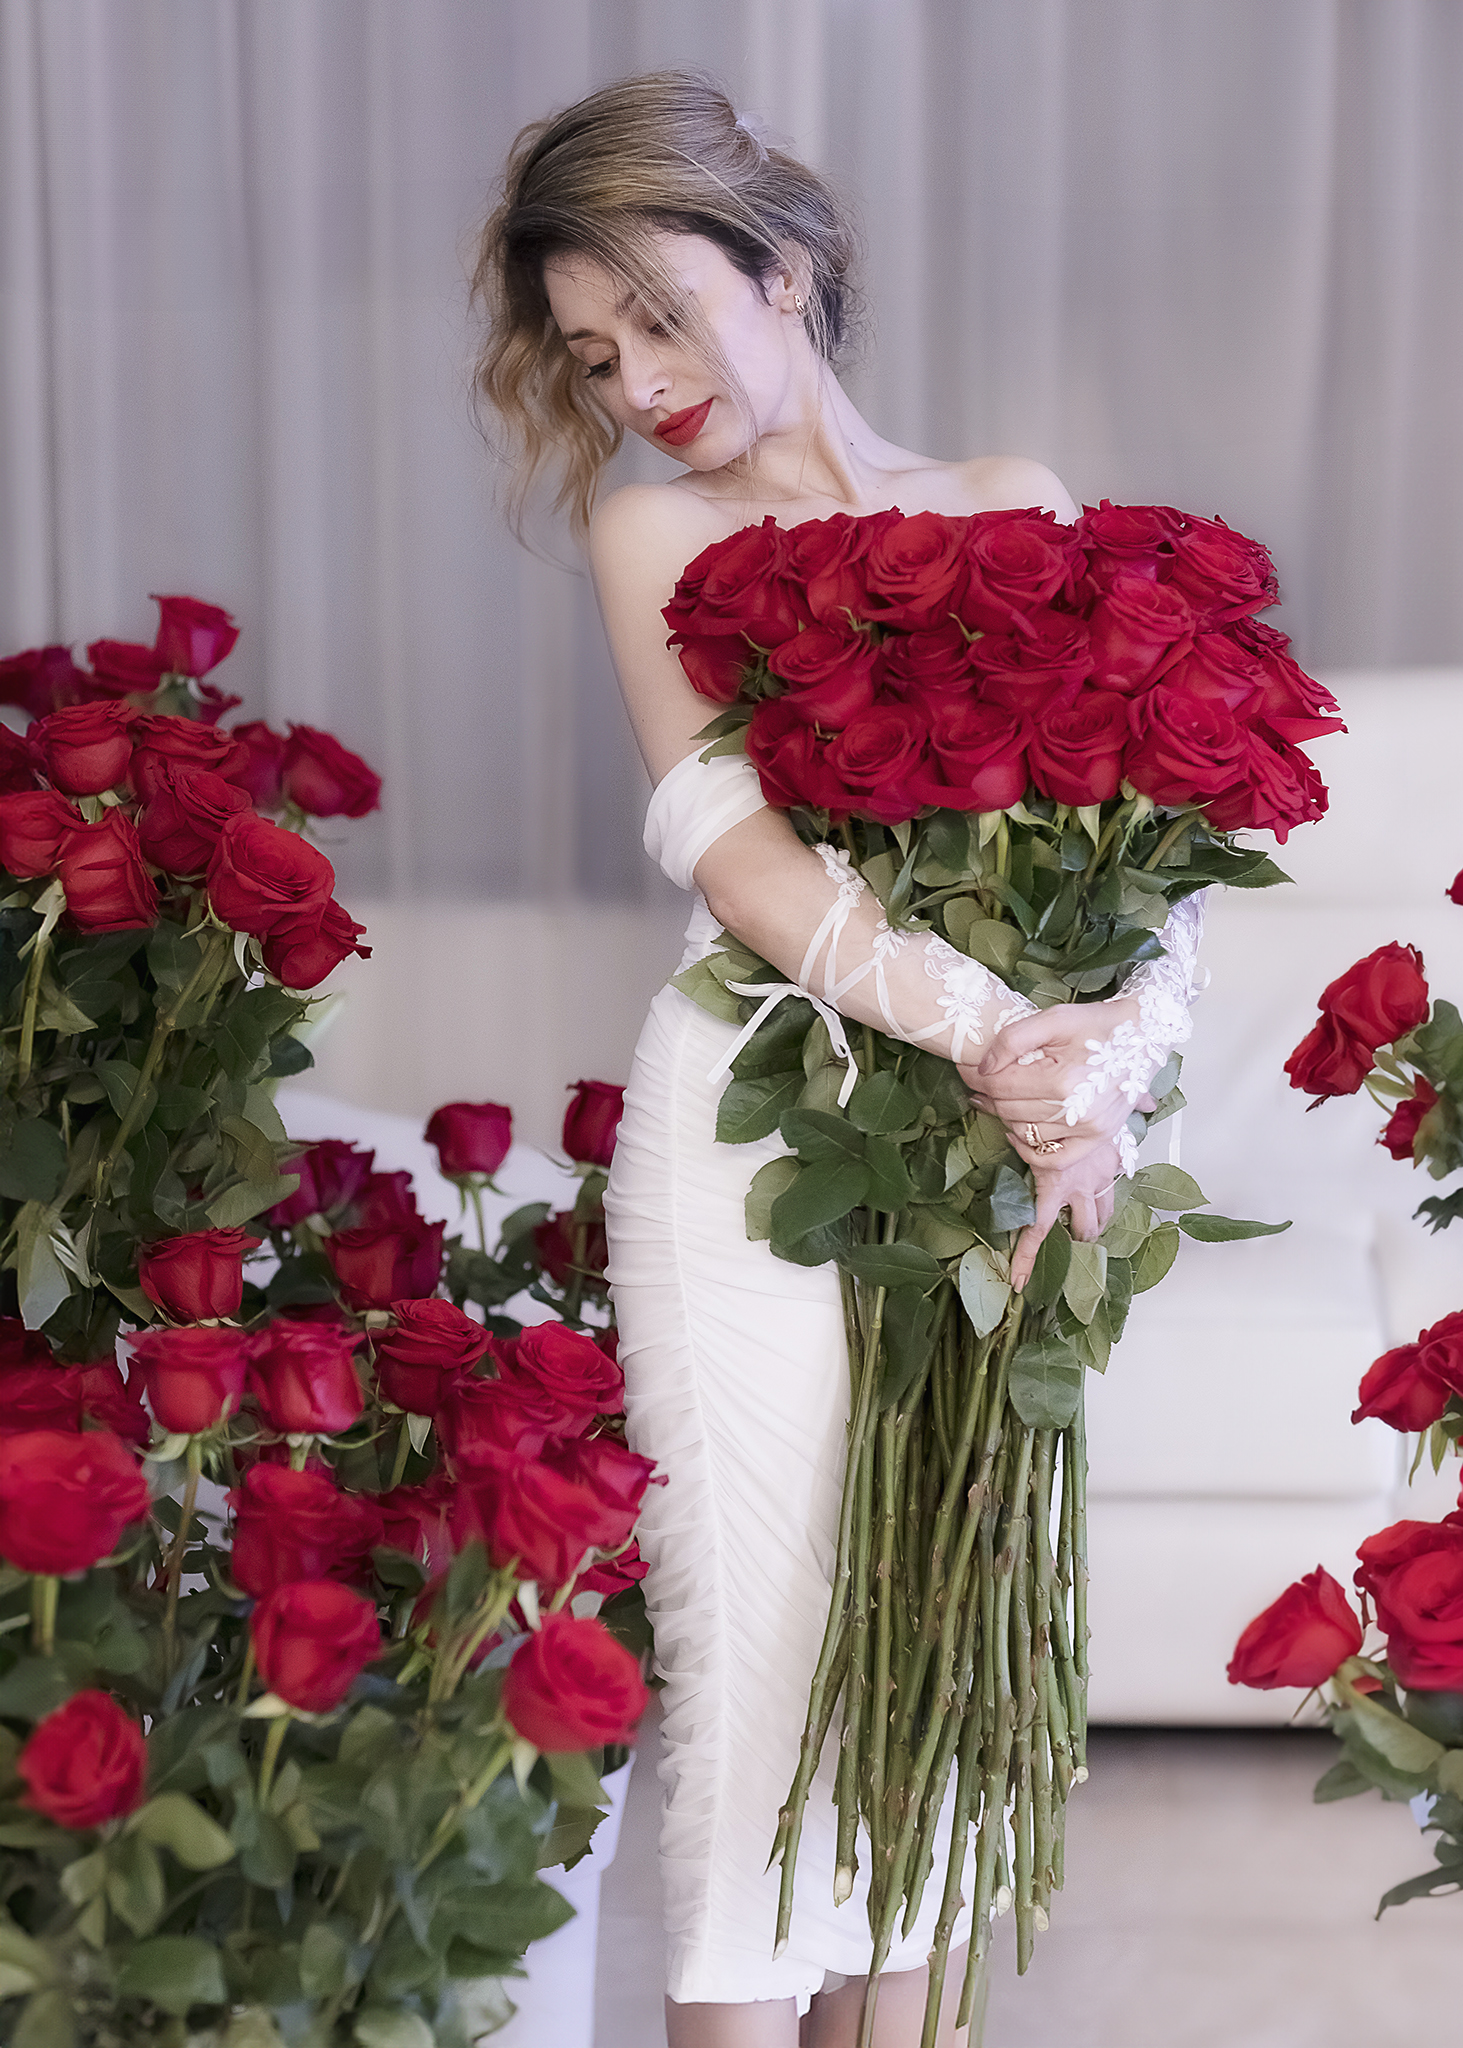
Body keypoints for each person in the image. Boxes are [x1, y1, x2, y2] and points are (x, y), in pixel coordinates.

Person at [473, 70, 1197, 2048]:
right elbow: (730, 845)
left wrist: (1106, 1061)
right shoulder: (657, 532)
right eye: (593, 353)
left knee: (936, 1676)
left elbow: (1137, 853)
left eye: (661, 316)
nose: (638, 381)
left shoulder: (1012, 501)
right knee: (773, 1664)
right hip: (750, 1137)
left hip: (997, 1156)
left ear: (785, 266)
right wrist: (984, 1026)